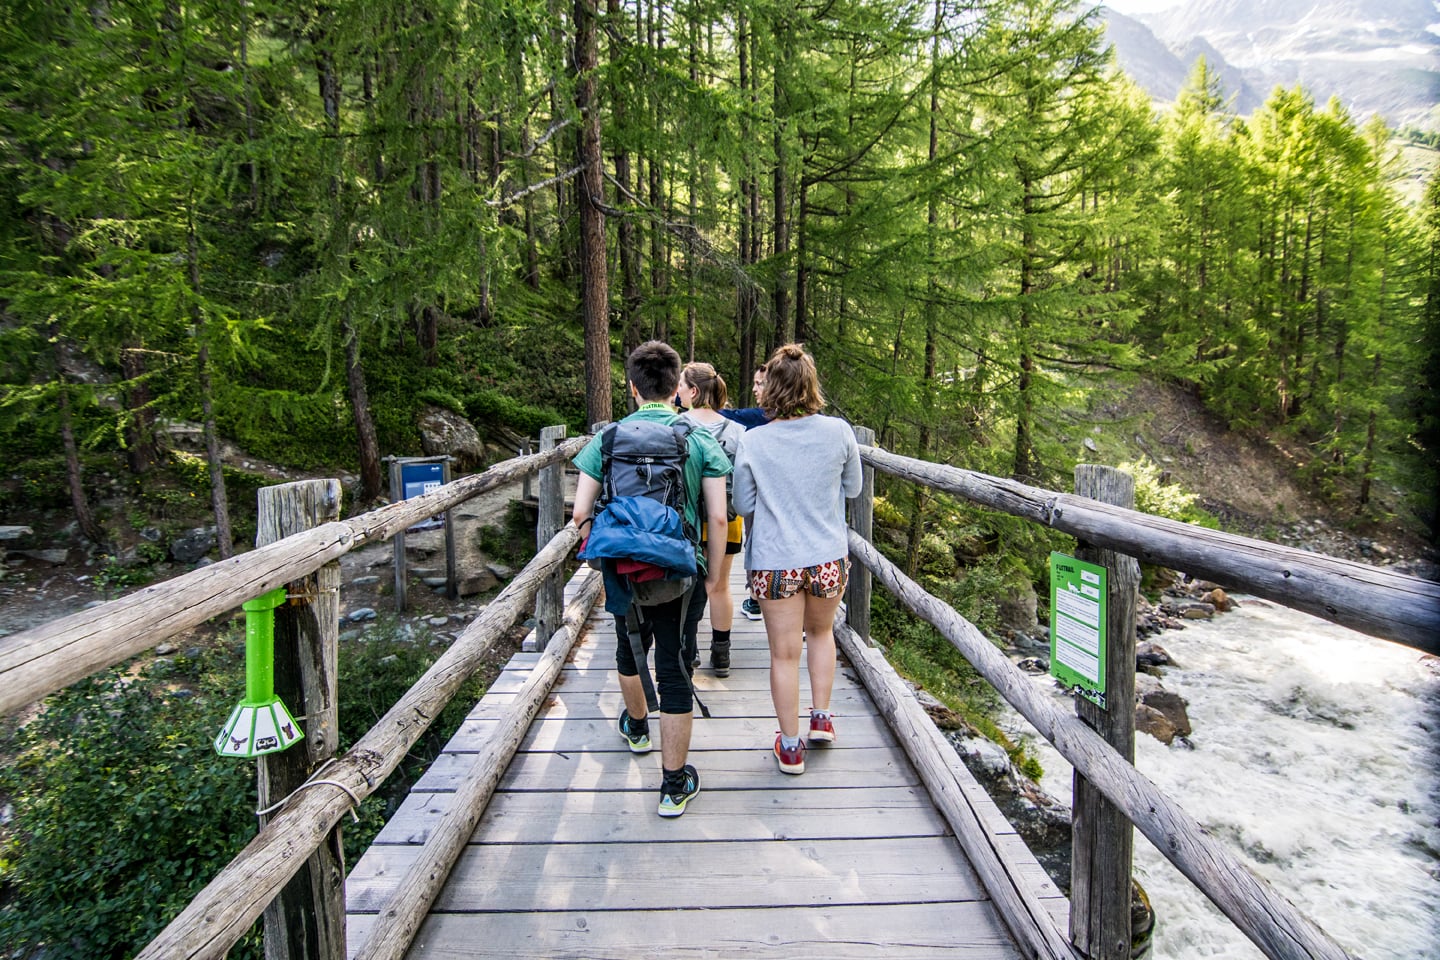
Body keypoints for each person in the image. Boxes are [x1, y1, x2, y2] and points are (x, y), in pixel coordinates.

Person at [572, 341, 731, 816]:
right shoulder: (697, 439)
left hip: (624, 568)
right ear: (677, 386)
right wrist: (713, 577)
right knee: (675, 667)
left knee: (629, 646)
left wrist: (608, 553)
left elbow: (580, 513)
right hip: (682, 569)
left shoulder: (608, 439)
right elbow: (718, 517)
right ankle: (673, 785)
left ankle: (638, 728)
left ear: (632, 387)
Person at [731, 343, 861, 775]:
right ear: (811, 384)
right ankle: (821, 719)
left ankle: (790, 747)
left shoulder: (753, 440)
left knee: (784, 654)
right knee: (821, 634)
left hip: (775, 560)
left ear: (771, 386)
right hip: (826, 556)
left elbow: (743, 503)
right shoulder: (839, 432)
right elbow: (854, 488)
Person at [676, 362, 746, 677]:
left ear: (693, 391)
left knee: (686, 586)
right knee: (720, 586)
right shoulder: (737, 430)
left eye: (681, 385)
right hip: (727, 515)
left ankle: (688, 648)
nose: (677, 391)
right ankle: (721, 654)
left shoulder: (676, 426)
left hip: (687, 516)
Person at [720, 363, 771, 621]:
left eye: (760, 383)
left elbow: (725, 415)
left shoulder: (759, 417)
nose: (754, 389)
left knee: (754, 540)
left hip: (759, 496)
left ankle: (755, 598)